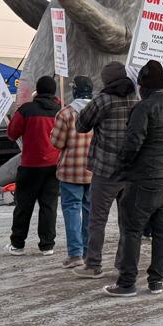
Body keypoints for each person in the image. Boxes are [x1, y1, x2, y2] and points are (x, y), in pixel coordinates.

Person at [106, 60, 163, 297]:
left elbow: (133, 142)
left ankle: (127, 283)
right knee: (161, 231)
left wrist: (122, 166)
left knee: (131, 229)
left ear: (143, 86)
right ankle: (156, 281)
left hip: (144, 179)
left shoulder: (144, 108)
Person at [73, 63, 139, 278]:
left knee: (97, 219)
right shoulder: (136, 99)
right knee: (127, 221)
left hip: (105, 170)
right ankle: (122, 264)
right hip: (131, 171)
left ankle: (93, 264)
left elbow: (81, 125)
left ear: (106, 80)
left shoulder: (102, 100)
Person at [5, 75, 62, 255]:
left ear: (37, 90)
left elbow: (12, 134)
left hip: (30, 165)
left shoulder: (26, 110)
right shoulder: (61, 110)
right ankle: (47, 245)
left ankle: (18, 244)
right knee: (49, 205)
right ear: (54, 92)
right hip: (54, 165)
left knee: (23, 205)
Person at [52, 75, 96, 269]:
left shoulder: (65, 113)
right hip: (94, 170)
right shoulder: (99, 111)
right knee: (89, 211)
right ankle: (88, 253)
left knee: (71, 210)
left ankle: (75, 254)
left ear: (75, 91)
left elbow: (57, 143)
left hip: (70, 170)